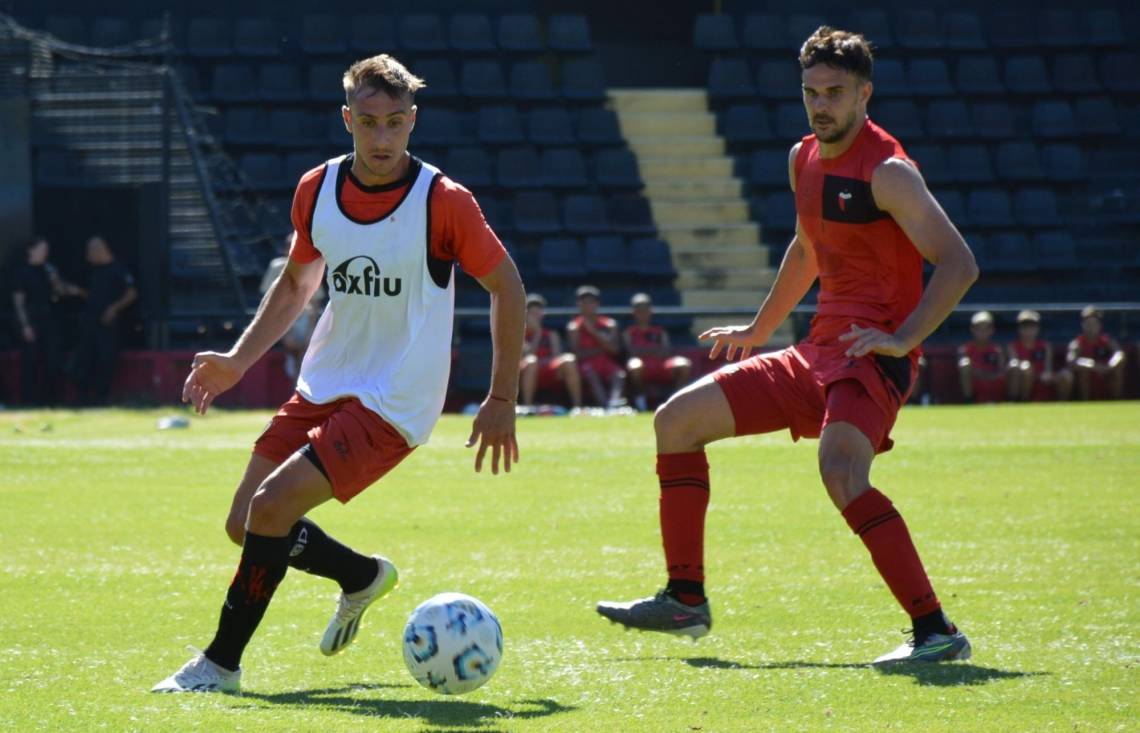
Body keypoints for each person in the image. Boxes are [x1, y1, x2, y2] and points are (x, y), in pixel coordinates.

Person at [596, 27, 978, 664]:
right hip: (815, 352)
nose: (821, 105)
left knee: (841, 472)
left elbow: (958, 263)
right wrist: (759, 330)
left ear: (864, 94)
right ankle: (686, 597)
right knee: (676, 421)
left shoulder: (889, 173)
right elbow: (807, 248)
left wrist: (903, 338)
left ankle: (936, 631)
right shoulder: (802, 156)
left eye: (835, 92)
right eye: (811, 92)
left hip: (869, 358)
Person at [153, 54, 525, 693]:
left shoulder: (444, 201)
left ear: (414, 121)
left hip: (395, 398)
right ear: (347, 118)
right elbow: (298, 284)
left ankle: (219, 665)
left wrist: (500, 395)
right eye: (370, 123)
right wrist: (238, 361)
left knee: (272, 508)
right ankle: (359, 576)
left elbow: (508, 289)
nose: (383, 139)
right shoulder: (316, 188)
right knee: (245, 521)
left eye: (396, 123)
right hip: (326, 380)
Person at [10, 236, 83, 406]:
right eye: (41, 249)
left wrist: (58, 282)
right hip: (32, 320)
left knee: (53, 359)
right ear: (31, 250)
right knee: (31, 361)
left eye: (46, 250)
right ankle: (29, 401)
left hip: (51, 320)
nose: (45, 253)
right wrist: (25, 325)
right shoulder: (21, 272)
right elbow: (18, 302)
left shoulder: (49, 269)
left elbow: (59, 292)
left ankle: (51, 400)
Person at [69, 236, 137, 405]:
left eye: (89, 252)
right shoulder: (94, 271)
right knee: (85, 357)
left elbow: (132, 293)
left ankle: (101, 397)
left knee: (105, 358)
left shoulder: (119, 269)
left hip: (108, 323)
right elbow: (94, 296)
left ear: (99, 250)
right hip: (90, 321)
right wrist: (77, 292)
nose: (87, 256)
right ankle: (82, 396)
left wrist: (113, 309)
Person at [261, 235, 326, 381]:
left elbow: (315, 305)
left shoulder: (313, 265)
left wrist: (310, 333)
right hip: (281, 320)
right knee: (294, 357)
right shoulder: (277, 266)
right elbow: (270, 302)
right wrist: (286, 333)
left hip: (305, 321)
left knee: (305, 359)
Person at [622, 292, 691, 412]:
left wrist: (643, 351)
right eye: (639, 310)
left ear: (650, 311)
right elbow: (630, 353)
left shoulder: (659, 331)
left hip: (661, 365)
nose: (642, 313)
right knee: (635, 365)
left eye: (645, 309)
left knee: (684, 364)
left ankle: (676, 402)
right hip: (643, 367)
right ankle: (641, 404)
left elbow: (666, 351)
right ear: (634, 312)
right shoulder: (629, 332)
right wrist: (652, 350)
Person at [519, 293, 582, 409]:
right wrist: (537, 333)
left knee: (569, 359)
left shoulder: (551, 334)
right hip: (526, 370)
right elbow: (526, 356)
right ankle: (528, 407)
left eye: (538, 312)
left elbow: (556, 357)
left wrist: (545, 362)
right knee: (532, 362)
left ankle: (577, 406)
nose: (535, 316)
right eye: (532, 313)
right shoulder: (518, 334)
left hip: (547, 368)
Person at [567, 284, 626, 407]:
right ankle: (605, 405)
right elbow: (577, 355)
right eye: (583, 302)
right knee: (591, 374)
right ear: (579, 304)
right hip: (586, 365)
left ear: (597, 304)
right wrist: (602, 348)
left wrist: (593, 332)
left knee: (619, 374)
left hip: (606, 362)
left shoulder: (610, 324)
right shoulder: (574, 327)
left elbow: (615, 350)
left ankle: (614, 403)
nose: (587, 305)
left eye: (591, 302)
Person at [1007, 309, 1072, 401]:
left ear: (1037, 329)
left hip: (1042, 378)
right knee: (1026, 368)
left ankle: (1062, 405)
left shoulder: (1045, 346)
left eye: (1032, 327)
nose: (1028, 330)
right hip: (1024, 380)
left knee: (1066, 375)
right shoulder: (1012, 346)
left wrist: (1047, 374)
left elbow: (1047, 368)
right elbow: (1015, 370)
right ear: (1020, 329)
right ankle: (1023, 401)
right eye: (1025, 327)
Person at [1067, 305, 1125, 400]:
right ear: (1083, 325)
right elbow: (1071, 361)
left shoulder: (1107, 341)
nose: (1091, 327)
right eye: (1088, 323)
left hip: (1104, 376)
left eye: (1094, 323)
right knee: (1084, 371)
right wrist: (1092, 365)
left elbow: (1119, 354)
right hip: (1085, 381)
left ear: (1099, 325)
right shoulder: (1077, 343)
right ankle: (1085, 402)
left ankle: (1116, 400)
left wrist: (1109, 366)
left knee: (1117, 371)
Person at [957, 310, 1008, 403]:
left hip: (994, 383)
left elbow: (1002, 371)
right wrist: (983, 375)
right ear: (972, 329)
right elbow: (966, 371)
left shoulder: (997, 350)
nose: (982, 332)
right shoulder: (965, 349)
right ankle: (968, 401)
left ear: (992, 330)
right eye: (978, 328)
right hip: (975, 384)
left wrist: (987, 376)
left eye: (986, 328)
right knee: (964, 364)